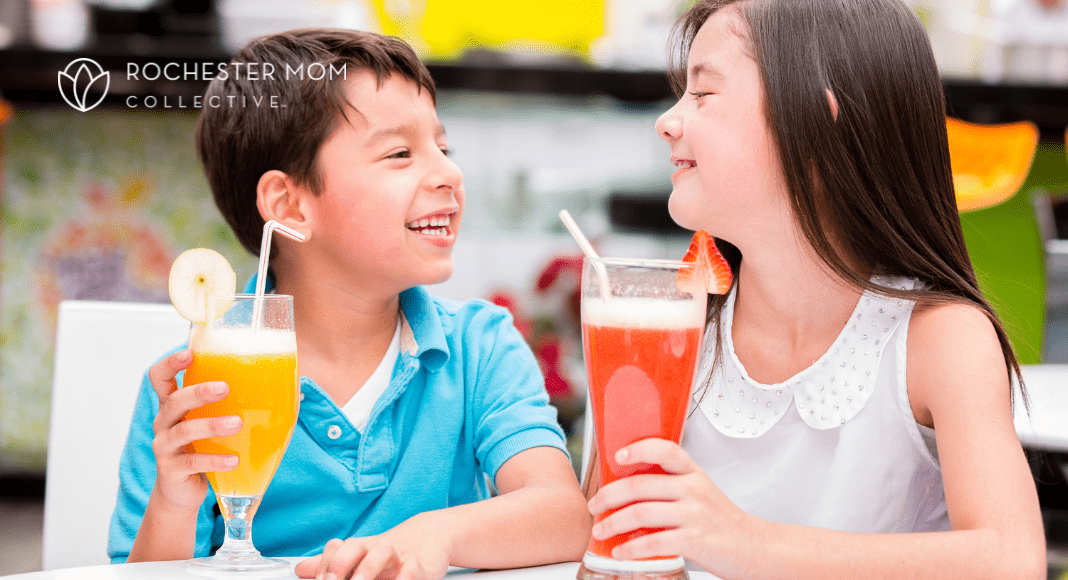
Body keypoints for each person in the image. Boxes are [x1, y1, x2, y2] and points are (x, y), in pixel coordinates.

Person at [583, 1, 1047, 578]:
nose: (668, 120)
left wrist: (748, 545)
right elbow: (597, 533)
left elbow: (1011, 558)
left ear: (816, 125)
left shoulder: (938, 340)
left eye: (703, 95)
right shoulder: (672, 327)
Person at [108, 29, 591, 580]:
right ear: (289, 206)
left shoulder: (479, 347)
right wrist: (174, 504)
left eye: (443, 148)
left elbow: (564, 515)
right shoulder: (203, 387)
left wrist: (432, 535)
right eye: (400, 153)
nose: (450, 173)